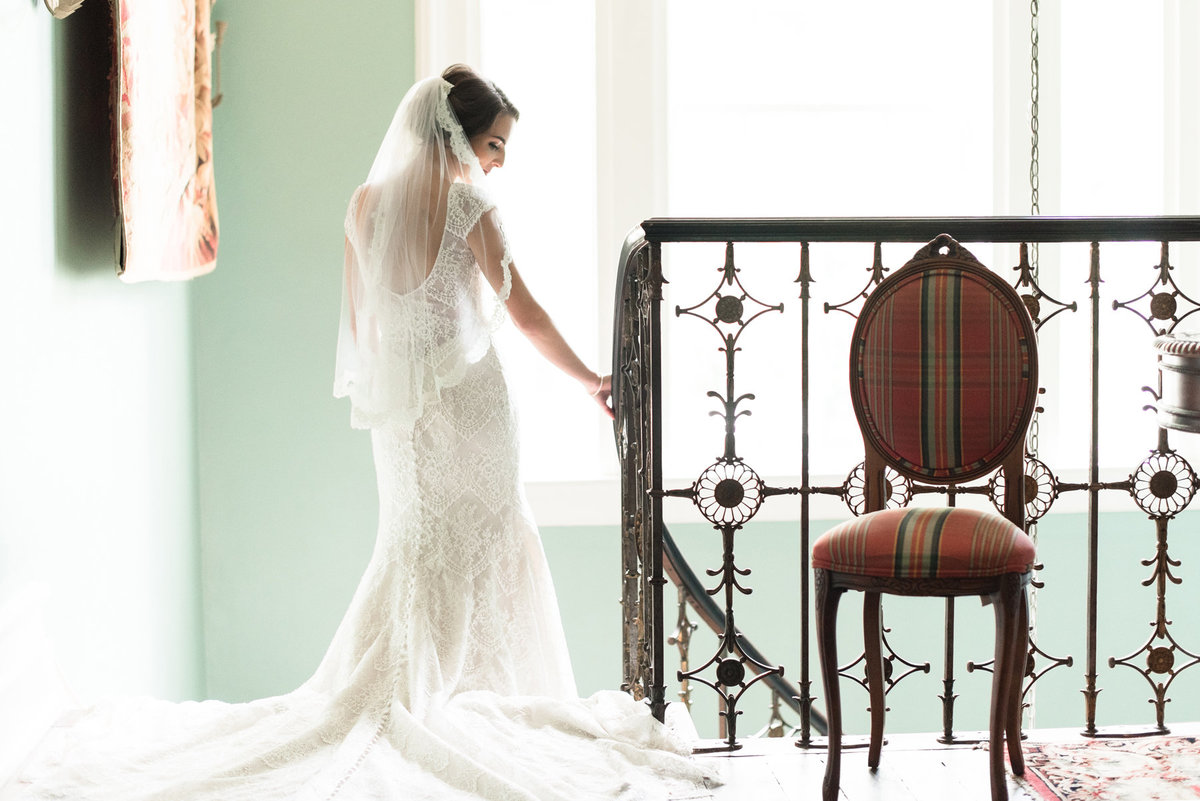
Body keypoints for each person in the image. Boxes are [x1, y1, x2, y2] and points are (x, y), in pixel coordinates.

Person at [2, 65, 710, 800]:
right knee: (491, 534)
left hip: (401, 413)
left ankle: (425, 687)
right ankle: (480, 697)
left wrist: (406, 376)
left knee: (416, 540)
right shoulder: (471, 207)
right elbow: (523, 315)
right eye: (495, 143)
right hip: (471, 404)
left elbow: (363, 321)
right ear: (457, 137)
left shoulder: (364, 205)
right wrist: (593, 378)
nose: (499, 160)